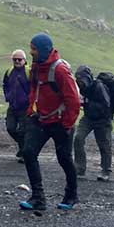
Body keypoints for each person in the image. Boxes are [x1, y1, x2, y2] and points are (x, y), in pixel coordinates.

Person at [19, 33, 81, 213]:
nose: (31, 52)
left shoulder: (60, 70)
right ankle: (38, 197)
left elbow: (73, 100)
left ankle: (71, 195)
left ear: (43, 49)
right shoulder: (37, 68)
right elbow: (33, 89)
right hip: (42, 119)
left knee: (64, 158)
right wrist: (31, 109)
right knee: (29, 153)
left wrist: (68, 124)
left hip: (61, 122)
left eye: (34, 49)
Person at [73, 65, 113, 181]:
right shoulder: (81, 87)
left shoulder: (99, 87)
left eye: (82, 79)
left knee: (104, 145)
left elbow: (106, 105)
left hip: (103, 120)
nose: (80, 82)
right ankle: (80, 167)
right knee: (78, 138)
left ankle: (106, 170)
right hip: (88, 118)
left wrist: (87, 101)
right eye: (78, 79)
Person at [2, 49, 31, 161]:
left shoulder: (29, 72)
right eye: (15, 59)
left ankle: (24, 154)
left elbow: (34, 88)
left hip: (25, 107)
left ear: (24, 60)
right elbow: (5, 85)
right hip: (12, 106)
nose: (17, 61)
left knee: (22, 131)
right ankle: (23, 149)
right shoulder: (9, 72)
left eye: (19, 59)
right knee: (10, 128)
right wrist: (7, 96)